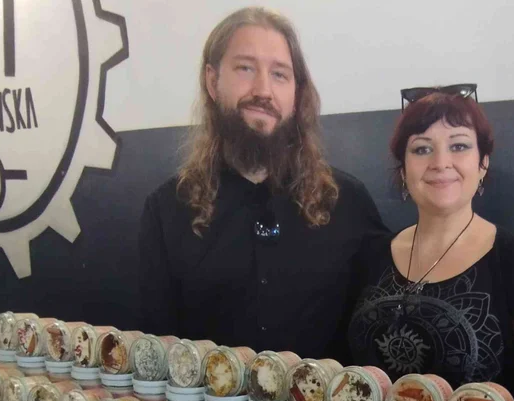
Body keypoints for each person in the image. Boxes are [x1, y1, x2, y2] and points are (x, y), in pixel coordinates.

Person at [138, 7, 388, 358]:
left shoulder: (348, 203)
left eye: (280, 74)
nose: (263, 90)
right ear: (212, 81)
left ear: (297, 95)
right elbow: (156, 353)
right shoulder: (166, 211)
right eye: (245, 68)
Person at [348, 87, 514, 393]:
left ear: (483, 163)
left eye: (459, 146)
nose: (441, 162)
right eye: (422, 149)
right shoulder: (371, 255)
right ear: (403, 170)